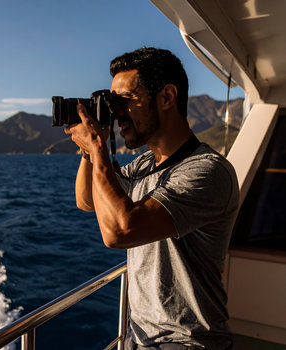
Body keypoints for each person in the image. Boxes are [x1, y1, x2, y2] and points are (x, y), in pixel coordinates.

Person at [65, 47, 239, 350]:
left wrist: (98, 149)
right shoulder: (145, 165)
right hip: (140, 335)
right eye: (112, 102)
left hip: (188, 342)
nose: (117, 111)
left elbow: (119, 232)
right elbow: (87, 201)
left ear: (167, 97)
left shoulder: (208, 171)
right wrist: (89, 150)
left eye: (125, 101)